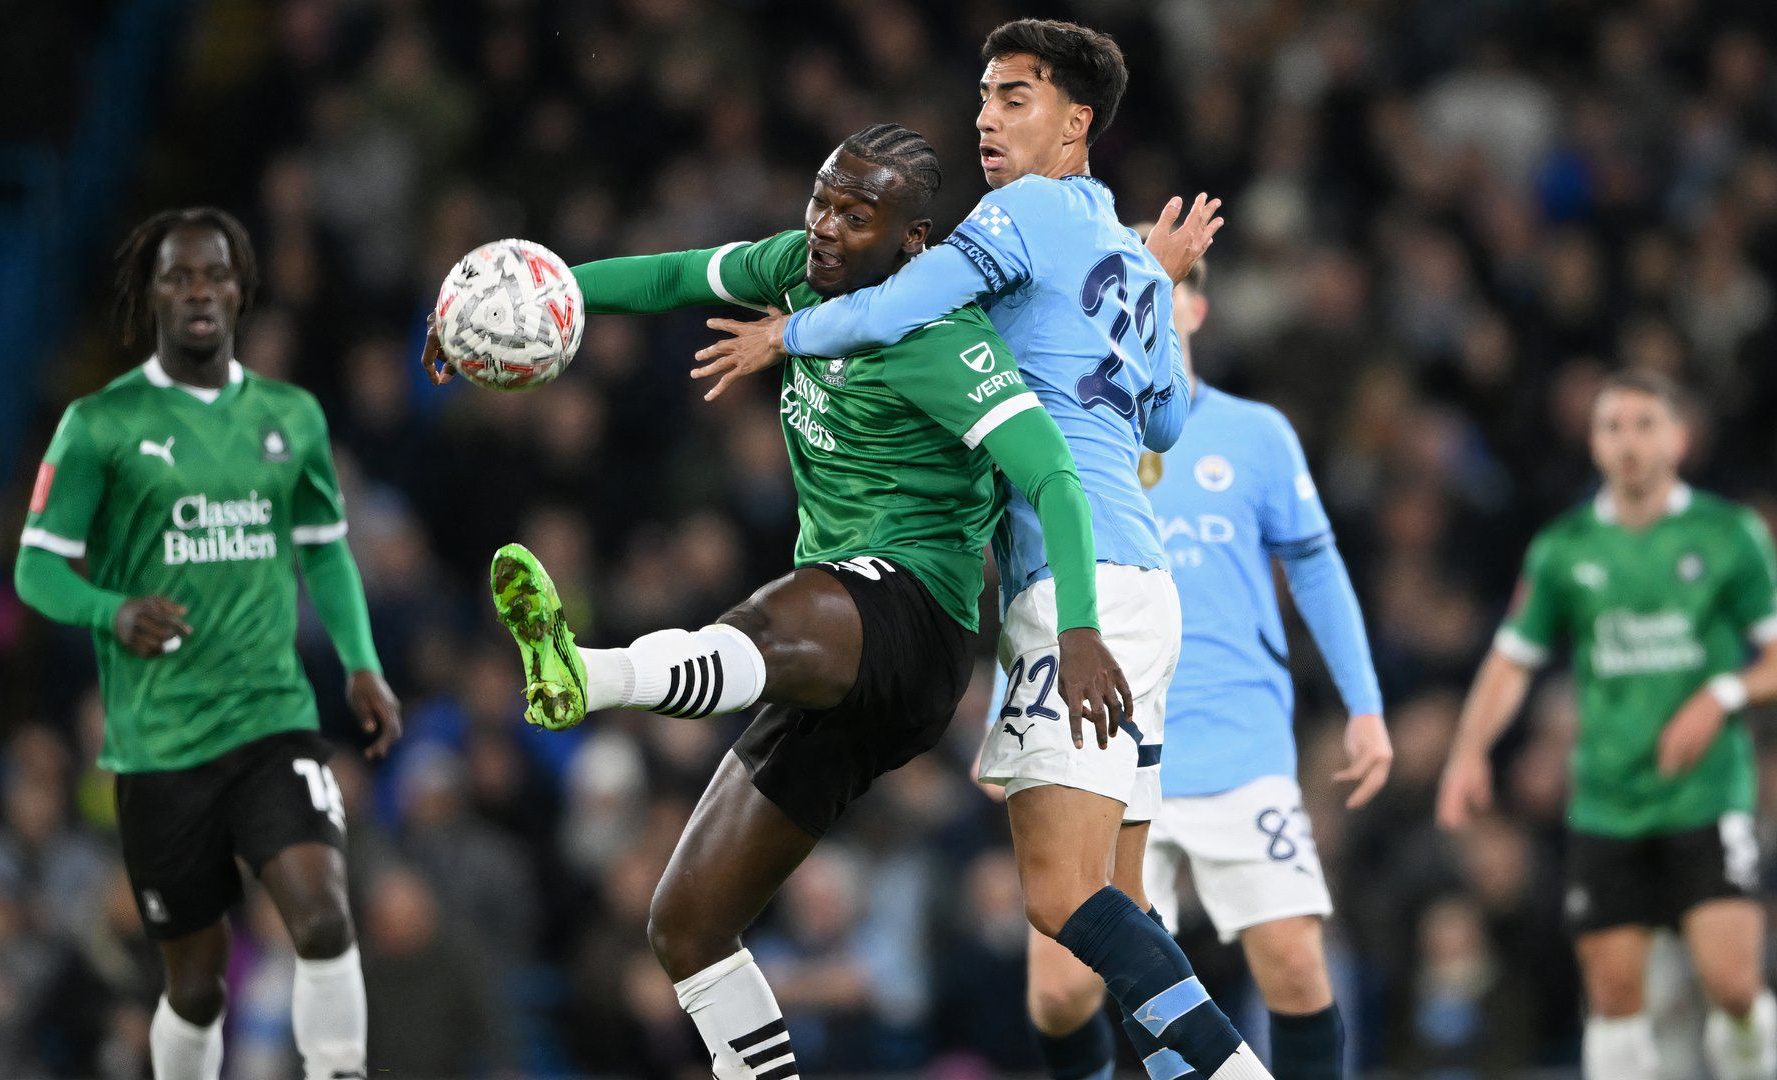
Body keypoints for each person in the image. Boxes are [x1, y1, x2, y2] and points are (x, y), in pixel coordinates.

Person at [435, 123, 1121, 1080]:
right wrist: (523, 305)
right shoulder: (795, 270)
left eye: (856, 214)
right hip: (829, 663)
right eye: (821, 201)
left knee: (782, 609)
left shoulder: (936, 333)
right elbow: (673, 278)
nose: (827, 230)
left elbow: (1053, 479)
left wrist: (1081, 627)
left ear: (912, 243)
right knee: (686, 924)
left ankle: (587, 674)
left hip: (916, 623)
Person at [693, 19, 1267, 1080]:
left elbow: (907, 302)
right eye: (985, 98)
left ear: (1075, 122)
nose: (987, 120)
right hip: (1147, 588)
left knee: (1058, 899)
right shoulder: (1117, 251)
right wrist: (1158, 282)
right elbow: (1165, 426)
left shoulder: (1027, 212)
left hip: (1077, 585)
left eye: (1015, 98)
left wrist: (788, 335)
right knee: (1119, 913)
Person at [14, 207, 402, 1080]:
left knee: (324, 916)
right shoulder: (99, 424)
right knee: (195, 987)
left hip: (273, 718)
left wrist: (363, 664)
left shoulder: (291, 415)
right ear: (150, 294)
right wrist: (111, 611)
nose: (198, 290)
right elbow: (35, 571)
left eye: (214, 274)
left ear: (241, 288)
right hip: (160, 743)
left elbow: (325, 549)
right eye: (178, 275)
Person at [1014, 261, 1391, 1080]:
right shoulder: (1065, 436)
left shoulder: (1256, 434)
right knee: (1060, 994)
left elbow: (1317, 567)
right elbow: (1033, 584)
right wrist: (1012, 726)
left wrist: (1364, 705)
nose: (1138, 298)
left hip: (1237, 742)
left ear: (1194, 305)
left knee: (1293, 960)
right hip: (1102, 738)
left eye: (1162, 278)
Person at [1436, 371, 1777, 1080]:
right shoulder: (1566, 547)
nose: (1629, 441)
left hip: (1706, 795)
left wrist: (1721, 693)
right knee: (1616, 998)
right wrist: (1469, 751)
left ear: (1679, 439)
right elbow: (1511, 660)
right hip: (1607, 802)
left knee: (1734, 987)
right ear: (1593, 443)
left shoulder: (1728, 535)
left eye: (1646, 424)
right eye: (1613, 426)